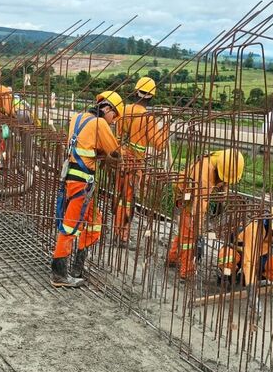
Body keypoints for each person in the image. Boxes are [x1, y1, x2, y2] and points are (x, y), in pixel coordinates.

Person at [51, 91, 124, 287]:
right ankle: (59, 274)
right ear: (108, 109)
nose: (113, 122)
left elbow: (87, 145)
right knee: (70, 227)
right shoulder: (100, 124)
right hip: (81, 182)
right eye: (114, 117)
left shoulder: (77, 118)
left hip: (73, 179)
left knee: (94, 221)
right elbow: (115, 153)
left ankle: (77, 266)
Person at [167, 149, 245, 279]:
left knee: (185, 230)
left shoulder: (224, 159)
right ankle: (187, 270)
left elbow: (225, 180)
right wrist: (199, 230)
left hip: (197, 193)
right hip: (186, 194)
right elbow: (199, 205)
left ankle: (173, 257)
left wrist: (224, 194)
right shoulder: (204, 174)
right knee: (190, 234)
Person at [113, 76, 169, 246]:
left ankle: (117, 231)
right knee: (128, 200)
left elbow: (117, 135)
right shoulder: (148, 117)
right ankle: (122, 236)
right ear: (151, 96)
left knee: (119, 196)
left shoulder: (124, 110)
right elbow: (160, 144)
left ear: (136, 92)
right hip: (134, 164)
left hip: (120, 160)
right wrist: (166, 125)